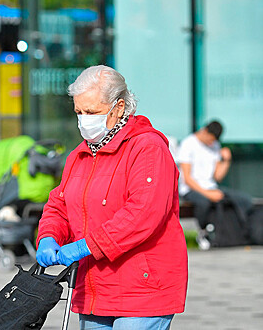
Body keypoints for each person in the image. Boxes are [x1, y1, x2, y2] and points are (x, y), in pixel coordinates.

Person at [35, 65, 188, 330]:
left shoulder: (148, 148)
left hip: (142, 289)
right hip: (94, 290)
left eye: (91, 112)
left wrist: (86, 246)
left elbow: (142, 214)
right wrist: (49, 235)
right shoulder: (79, 155)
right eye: (79, 112)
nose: (84, 120)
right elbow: (58, 205)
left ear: (118, 108)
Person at [177, 120, 253, 250]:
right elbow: (187, 179)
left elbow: (217, 176)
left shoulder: (215, 145)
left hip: (211, 187)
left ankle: (238, 233)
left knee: (242, 199)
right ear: (205, 131)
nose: (211, 143)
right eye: (210, 139)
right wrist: (208, 194)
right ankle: (203, 233)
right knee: (204, 202)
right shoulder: (188, 144)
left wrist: (226, 160)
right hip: (190, 189)